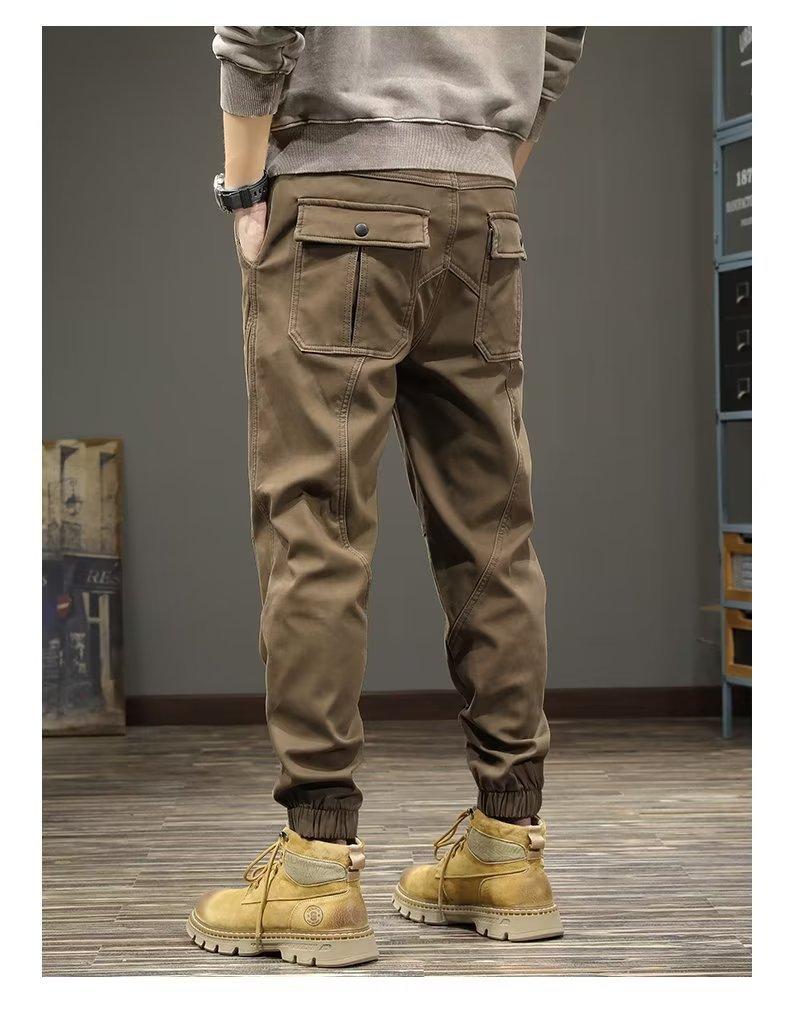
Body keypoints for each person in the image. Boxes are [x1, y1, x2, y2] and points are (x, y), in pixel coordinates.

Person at [187, 26, 585, 967]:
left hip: (336, 196)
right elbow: (562, 34)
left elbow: (257, 29)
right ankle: (508, 847)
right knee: (494, 536)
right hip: (484, 206)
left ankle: (316, 866)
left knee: (316, 529)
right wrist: (484, 166)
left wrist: (245, 191)